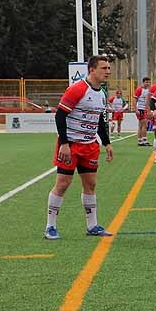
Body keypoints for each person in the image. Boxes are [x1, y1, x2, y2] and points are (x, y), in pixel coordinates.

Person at [44, 55, 114, 239]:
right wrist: (64, 144)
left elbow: (99, 120)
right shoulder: (77, 89)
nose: (108, 71)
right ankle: (50, 226)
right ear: (92, 69)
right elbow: (60, 116)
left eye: (108, 68)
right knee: (63, 184)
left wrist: (106, 143)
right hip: (71, 145)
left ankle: (92, 226)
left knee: (90, 184)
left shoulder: (102, 93)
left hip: (90, 145)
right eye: (104, 68)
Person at [133, 77, 152, 146]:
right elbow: (134, 99)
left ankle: (140, 141)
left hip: (145, 109)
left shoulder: (149, 90)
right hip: (141, 109)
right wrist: (136, 109)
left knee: (142, 125)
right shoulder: (139, 89)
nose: (147, 83)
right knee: (144, 125)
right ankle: (143, 140)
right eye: (146, 82)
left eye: (149, 82)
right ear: (143, 82)